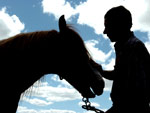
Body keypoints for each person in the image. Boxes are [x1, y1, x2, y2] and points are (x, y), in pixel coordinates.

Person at [102, 6, 150, 113]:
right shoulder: (124, 47)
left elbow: (137, 93)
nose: (105, 32)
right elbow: (119, 74)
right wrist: (100, 71)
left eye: (108, 26)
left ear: (119, 25)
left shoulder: (133, 47)